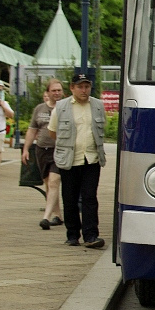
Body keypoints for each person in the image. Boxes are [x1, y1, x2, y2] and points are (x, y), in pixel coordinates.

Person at [48, 73, 106, 249]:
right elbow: (53, 132)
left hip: (91, 158)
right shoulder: (61, 107)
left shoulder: (97, 105)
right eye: (80, 86)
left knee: (89, 197)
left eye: (87, 86)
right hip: (70, 159)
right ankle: (72, 234)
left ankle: (91, 235)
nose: (84, 90)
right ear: (72, 88)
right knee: (70, 198)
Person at [23, 78, 65, 229]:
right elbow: (32, 129)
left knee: (54, 181)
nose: (56, 93)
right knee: (49, 184)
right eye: (53, 90)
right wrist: (26, 149)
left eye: (59, 90)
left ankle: (45, 217)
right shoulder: (39, 109)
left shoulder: (66, 108)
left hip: (59, 150)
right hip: (42, 149)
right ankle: (58, 215)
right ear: (48, 92)